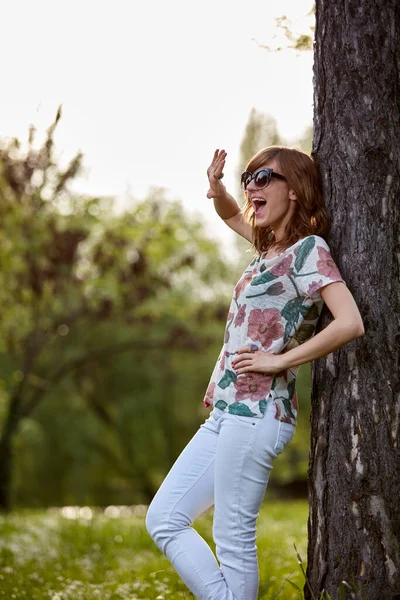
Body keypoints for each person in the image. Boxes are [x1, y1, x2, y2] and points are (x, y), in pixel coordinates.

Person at [145, 146, 365, 600]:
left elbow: (350, 322)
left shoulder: (308, 251)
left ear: (296, 191)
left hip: (260, 411)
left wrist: (282, 360)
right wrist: (219, 187)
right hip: (227, 410)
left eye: (265, 177)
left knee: (232, 539)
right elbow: (229, 215)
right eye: (250, 178)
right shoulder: (267, 250)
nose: (252, 187)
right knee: (164, 518)